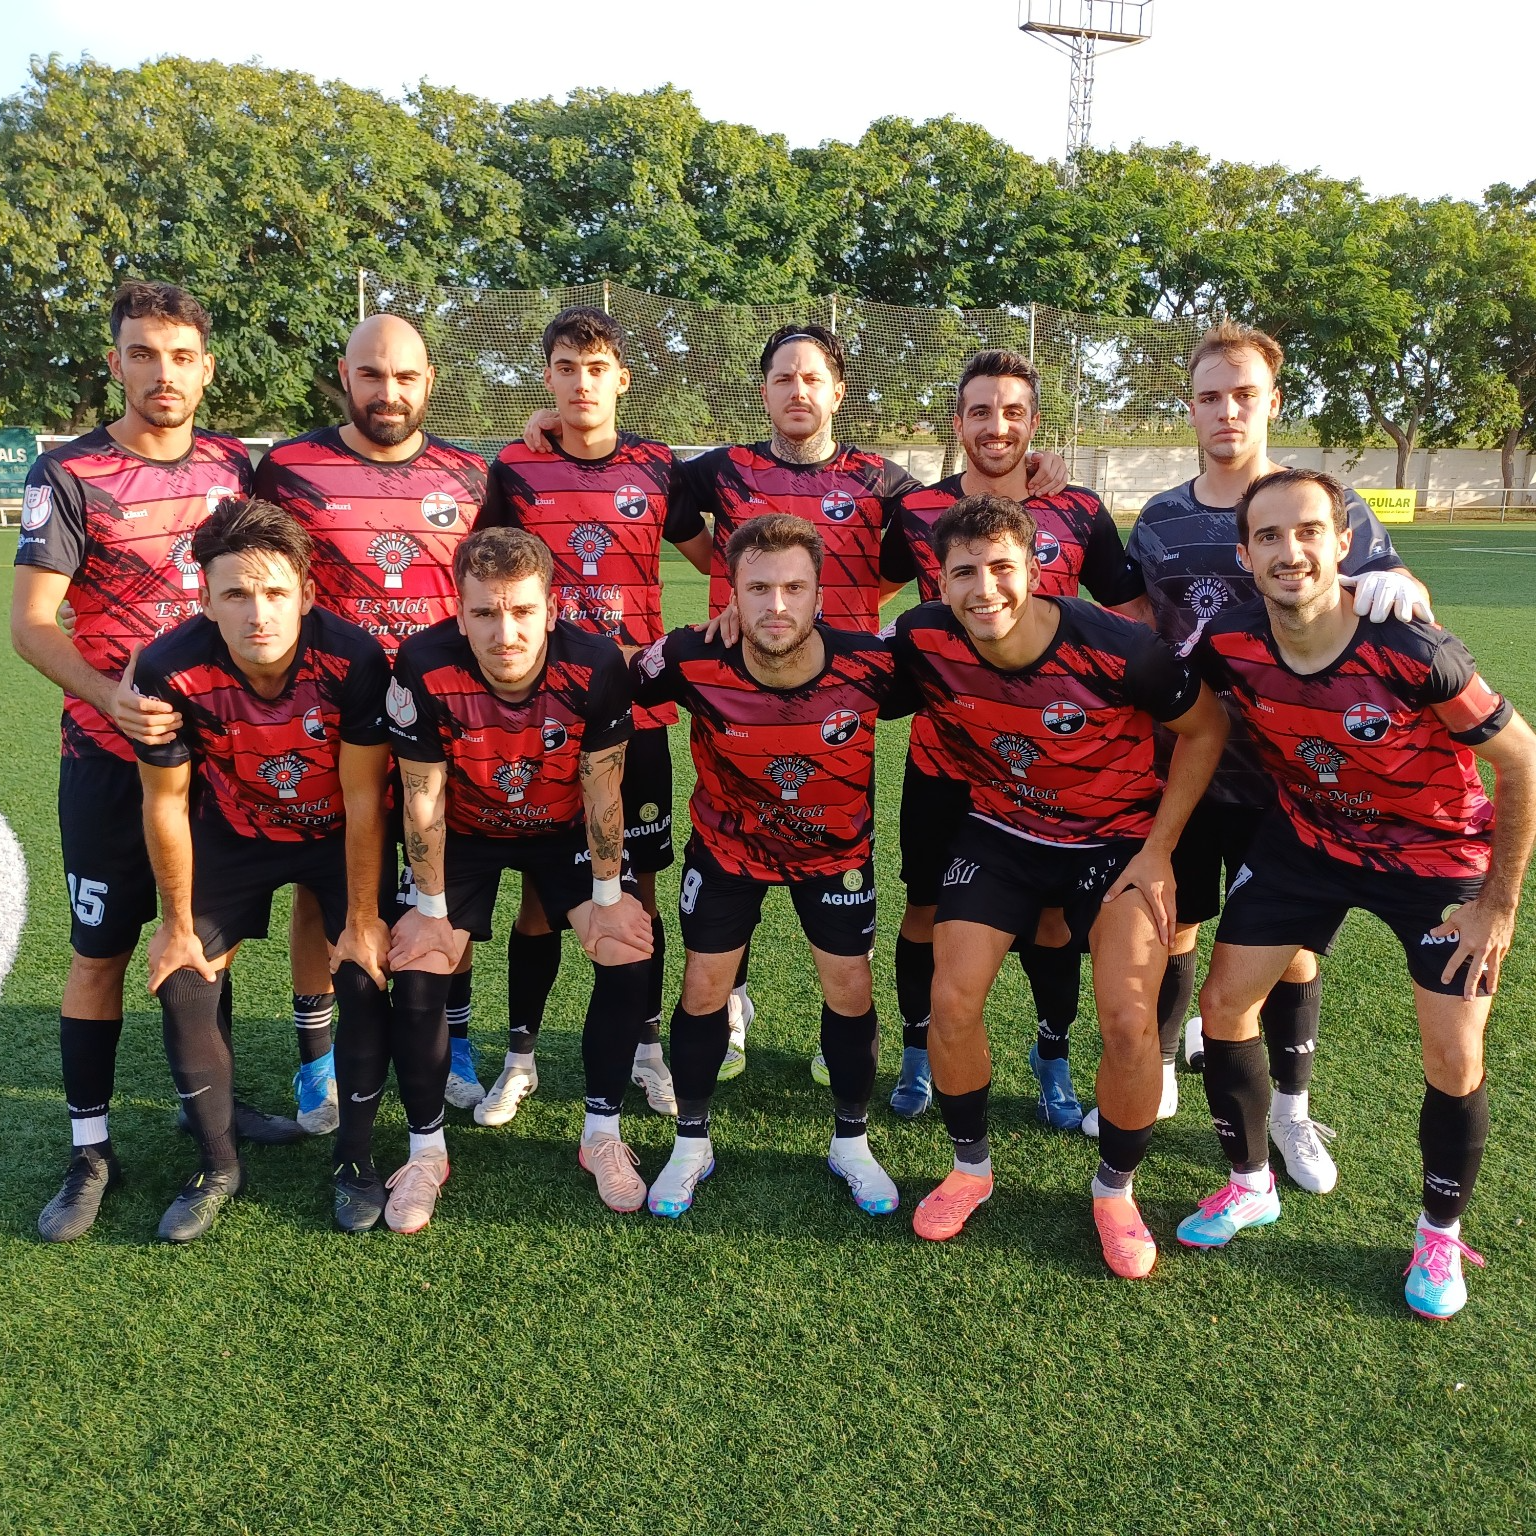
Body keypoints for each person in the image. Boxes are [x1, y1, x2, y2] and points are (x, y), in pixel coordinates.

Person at [1177, 468, 1536, 1319]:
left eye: (1308, 532)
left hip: (1437, 861)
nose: (1289, 551)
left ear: (1343, 545)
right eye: (1268, 536)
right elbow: (1162, 693)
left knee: (1453, 1056)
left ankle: (1438, 1237)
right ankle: (1249, 1182)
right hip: (1307, 844)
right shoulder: (1229, 640)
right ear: (1245, 554)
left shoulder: (1415, 648)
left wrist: (1497, 902)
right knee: (1226, 1007)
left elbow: (1521, 760)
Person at [11, 280, 298, 1245]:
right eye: (144, 354)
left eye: (181, 357)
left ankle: (202, 1105)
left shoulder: (234, 466)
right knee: (100, 956)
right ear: (116, 363)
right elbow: (30, 624)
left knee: (206, 944)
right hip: (106, 757)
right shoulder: (69, 473)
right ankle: (90, 1149)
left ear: (207, 368)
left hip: (218, 760)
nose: (163, 374)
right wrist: (111, 701)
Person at [1116, 320, 1434, 1191]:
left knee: (1294, 952)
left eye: (1244, 395)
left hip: (1300, 779)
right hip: (1187, 768)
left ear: (1272, 403)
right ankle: (1177, 1079)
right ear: (1190, 407)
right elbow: (1136, 624)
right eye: (1211, 396)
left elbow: (1399, 594)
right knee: (1174, 922)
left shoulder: (1328, 506)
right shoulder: (1162, 520)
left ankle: (1291, 1112)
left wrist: (1399, 583)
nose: (1227, 411)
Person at [891, 494, 1228, 1277]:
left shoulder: (1121, 648)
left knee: (1127, 1019)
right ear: (938, 582)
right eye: (963, 572)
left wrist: (1159, 849)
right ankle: (971, 1168)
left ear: (1037, 571)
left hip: (1113, 843)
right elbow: (832, 662)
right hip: (1002, 835)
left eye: (1002, 567)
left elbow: (1206, 728)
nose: (985, 590)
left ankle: (1116, 1190)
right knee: (952, 1001)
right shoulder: (923, 639)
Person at [877, 348, 1143, 1126]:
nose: (998, 428)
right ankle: (921, 1050)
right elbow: (863, 582)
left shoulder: (1078, 508)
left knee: (1054, 922)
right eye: (981, 412)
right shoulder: (918, 510)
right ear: (957, 422)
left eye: (1014, 413)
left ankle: (1051, 1056)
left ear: (1034, 423)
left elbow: (1128, 615)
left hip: (1056, 771)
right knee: (924, 909)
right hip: (946, 758)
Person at [130, 499, 394, 1240]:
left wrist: (366, 917)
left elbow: (365, 794)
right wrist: (176, 924)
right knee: (184, 979)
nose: (258, 614)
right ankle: (217, 1163)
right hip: (237, 835)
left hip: (338, 833)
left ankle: (355, 1159)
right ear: (206, 600)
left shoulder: (353, 657)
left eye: (276, 593)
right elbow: (166, 803)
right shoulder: (168, 667)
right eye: (237, 595)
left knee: (363, 970)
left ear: (308, 595)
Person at [475, 306, 713, 1119]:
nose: (582, 383)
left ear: (622, 379)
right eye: (567, 368)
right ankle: (520, 1056)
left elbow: (717, 559)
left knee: (639, 892)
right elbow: (479, 573)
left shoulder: (656, 466)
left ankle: (647, 1049)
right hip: (538, 716)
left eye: (597, 367)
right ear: (547, 377)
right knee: (542, 894)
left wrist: (726, 625)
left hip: (637, 715)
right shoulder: (513, 467)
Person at [251, 313, 488, 1128]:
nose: (389, 393)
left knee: (440, 888)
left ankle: (452, 1041)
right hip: (323, 721)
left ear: (429, 383)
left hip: (442, 722)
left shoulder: (468, 476)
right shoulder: (287, 469)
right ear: (344, 376)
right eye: (371, 375)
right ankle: (316, 1062)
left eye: (405, 377)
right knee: (324, 894)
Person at [629, 514, 902, 1218]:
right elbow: (612, 680)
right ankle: (691, 1143)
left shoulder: (871, 664)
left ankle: (851, 1142)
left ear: (818, 595)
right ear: (731, 593)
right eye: (758, 588)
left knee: (849, 987)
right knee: (703, 988)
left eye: (792, 588)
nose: (776, 606)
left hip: (835, 857)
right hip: (726, 853)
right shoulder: (692, 657)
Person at [385, 527, 654, 1229]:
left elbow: (603, 791)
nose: (505, 631)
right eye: (484, 613)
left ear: (552, 608)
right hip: (467, 830)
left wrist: (606, 898)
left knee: (625, 950)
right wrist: (432, 909)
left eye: (522, 611)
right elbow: (422, 797)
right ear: (458, 609)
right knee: (418, 965)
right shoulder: (421, 661)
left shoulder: (596, 664)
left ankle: (601, 1135)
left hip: (561, 825)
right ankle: (425, 1152)